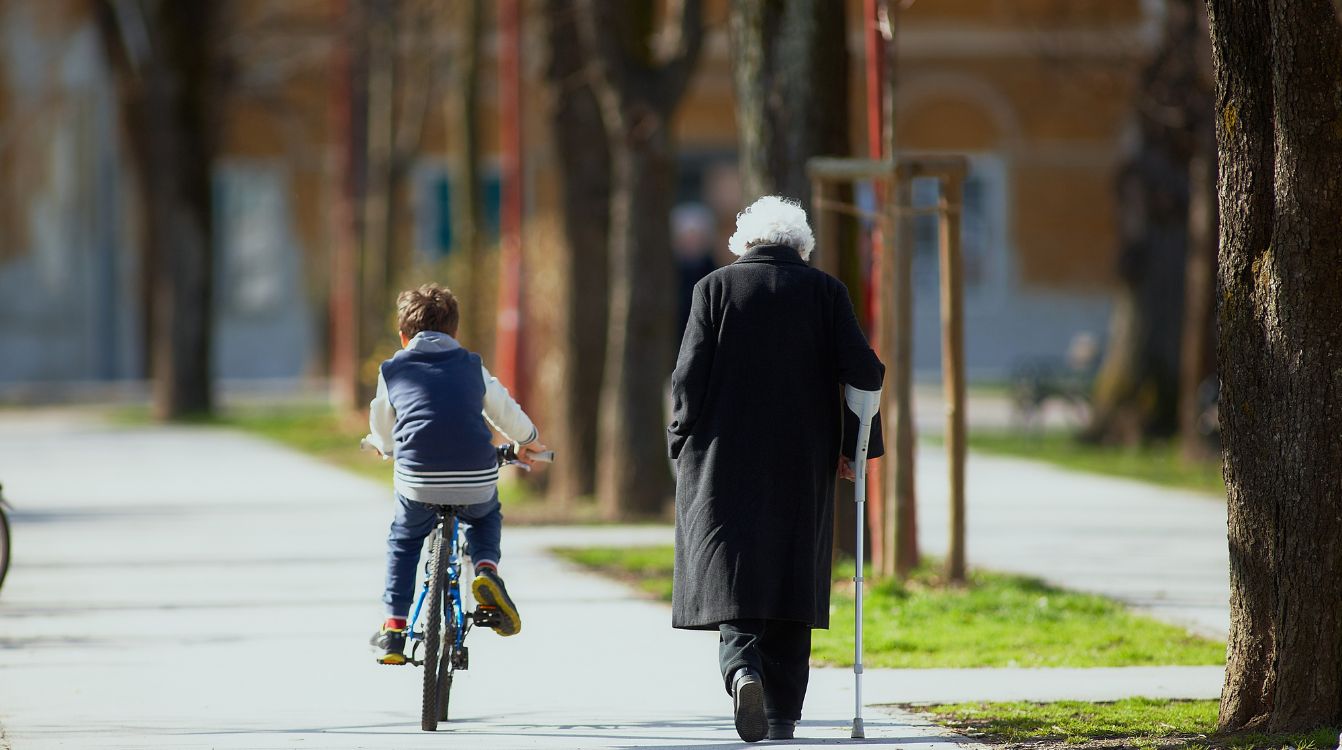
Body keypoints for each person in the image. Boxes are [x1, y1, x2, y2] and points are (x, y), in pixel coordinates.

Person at [667, 196, 885, 743]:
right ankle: (784, 713)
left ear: (744, 243)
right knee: (793, 570)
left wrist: (678, 434)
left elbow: (688, 375)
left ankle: (743, 672)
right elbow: (865, 372)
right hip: (802, 456)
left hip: (724, 456)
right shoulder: (826, 292)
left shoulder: (713, 288)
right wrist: (857, 446)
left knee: (734, 570)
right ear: (800, 246)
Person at [364, 283, 548, 665]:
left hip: (417, 479)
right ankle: (486, 568)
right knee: (484, 516)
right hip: (475, 476)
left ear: (402, 335)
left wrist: (384, 446)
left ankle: (394, 628)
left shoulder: (393, 369)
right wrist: (527, 439)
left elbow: (382, 421)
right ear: (455, 332)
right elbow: (503, 409)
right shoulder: (470, 365)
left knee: (404, 540)